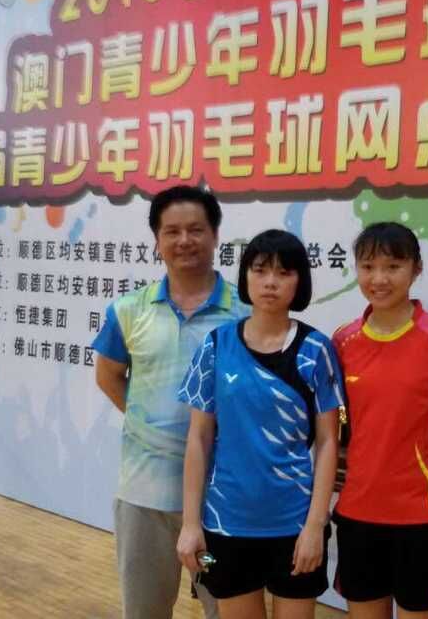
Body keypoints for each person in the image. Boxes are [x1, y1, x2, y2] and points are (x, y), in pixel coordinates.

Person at [93, 186, 246, 619]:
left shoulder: (247, 312)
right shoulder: (127, 310)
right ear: (157, 240)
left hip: (221, 504)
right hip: (145, 499)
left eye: (196, 230)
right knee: (145, 610)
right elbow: (108, 375)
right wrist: (150, 427)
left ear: (215, 235)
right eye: (172, 231)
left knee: (226, 609)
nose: (184, 241)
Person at [177, 229, 344, 619]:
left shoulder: (317, 350)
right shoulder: (216, 346)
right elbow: (198, 438)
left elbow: (328, 443)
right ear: (245, 276)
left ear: (300, 282)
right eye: (260, 270)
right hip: (225, 524)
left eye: (284, 273)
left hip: (295, 525)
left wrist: (315, 525)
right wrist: (190, 524)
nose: (271, 282)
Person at [331, 222, 428, 619]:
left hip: (424, 517)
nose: (379, 279)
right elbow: (337, 431)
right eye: (368, 267)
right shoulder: (342, 342)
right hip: (357, 512)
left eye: (392, 266)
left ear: (416, 269)